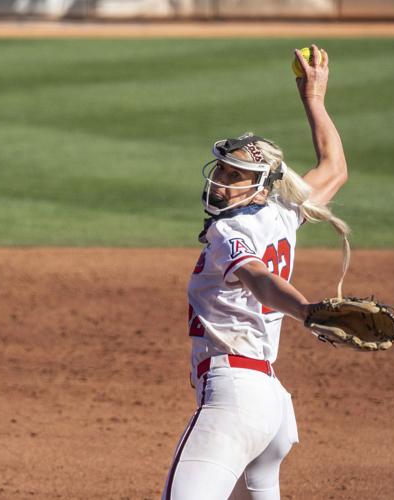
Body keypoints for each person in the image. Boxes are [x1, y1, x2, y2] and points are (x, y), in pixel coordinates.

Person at [161, 45, 350, 500]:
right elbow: (335, 169)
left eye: (235, 175)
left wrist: (304, 311)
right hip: (271, 406)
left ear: (261, 185)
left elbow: (258, 277)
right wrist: (315, 101)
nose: (221, 182)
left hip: (234, 399)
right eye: (222, 171)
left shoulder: (229, 232)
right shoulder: (285, 209)